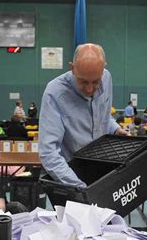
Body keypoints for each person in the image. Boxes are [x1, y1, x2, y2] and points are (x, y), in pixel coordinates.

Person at [39, 43, 127, 188]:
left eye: (95, 82)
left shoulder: (107, 78)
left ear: (103, 69)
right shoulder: (54, 93)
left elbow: (102, 115)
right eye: (83, 82)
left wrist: (115, 129)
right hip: (71, 175)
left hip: (102, 167)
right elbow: (48, 152)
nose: (90, 89)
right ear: (72, 68)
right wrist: (79, 187)